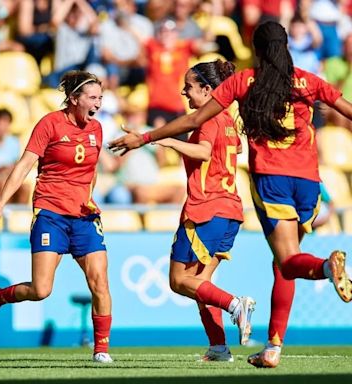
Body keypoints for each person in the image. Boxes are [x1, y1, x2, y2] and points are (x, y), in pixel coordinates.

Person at [108, 21, 352, 368]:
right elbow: (347, 109)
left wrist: (146, 138)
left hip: (272, 181)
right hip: (310, 183)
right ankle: (273, 347)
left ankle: (328, 267)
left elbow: (193, 122)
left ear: (256, 49)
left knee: (286, 261)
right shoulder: (308, 81)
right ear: (286, 47)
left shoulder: (245, 81)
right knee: (283, 264)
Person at [0, 70, 113, 363]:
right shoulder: (50, 124)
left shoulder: (97, 129)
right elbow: (24, 165)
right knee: (41, 290)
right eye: (92, 97)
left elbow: (92, 170)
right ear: (74, 99)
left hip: (85, 217)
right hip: (51, 213)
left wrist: (87, 198)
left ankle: (101, 350)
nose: (98, 103)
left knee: (99, 281)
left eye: (100, 98)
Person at [154, 60, 255, 361]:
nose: (184, 93)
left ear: (207, 89)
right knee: (201, 286)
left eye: (188, 87)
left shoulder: (207, 119)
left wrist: (170, 141)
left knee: (179, 280)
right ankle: (219, 347)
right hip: (230, 211)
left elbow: (204, 152)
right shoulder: (226, 119)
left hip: (205, 209)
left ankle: (236, 304)